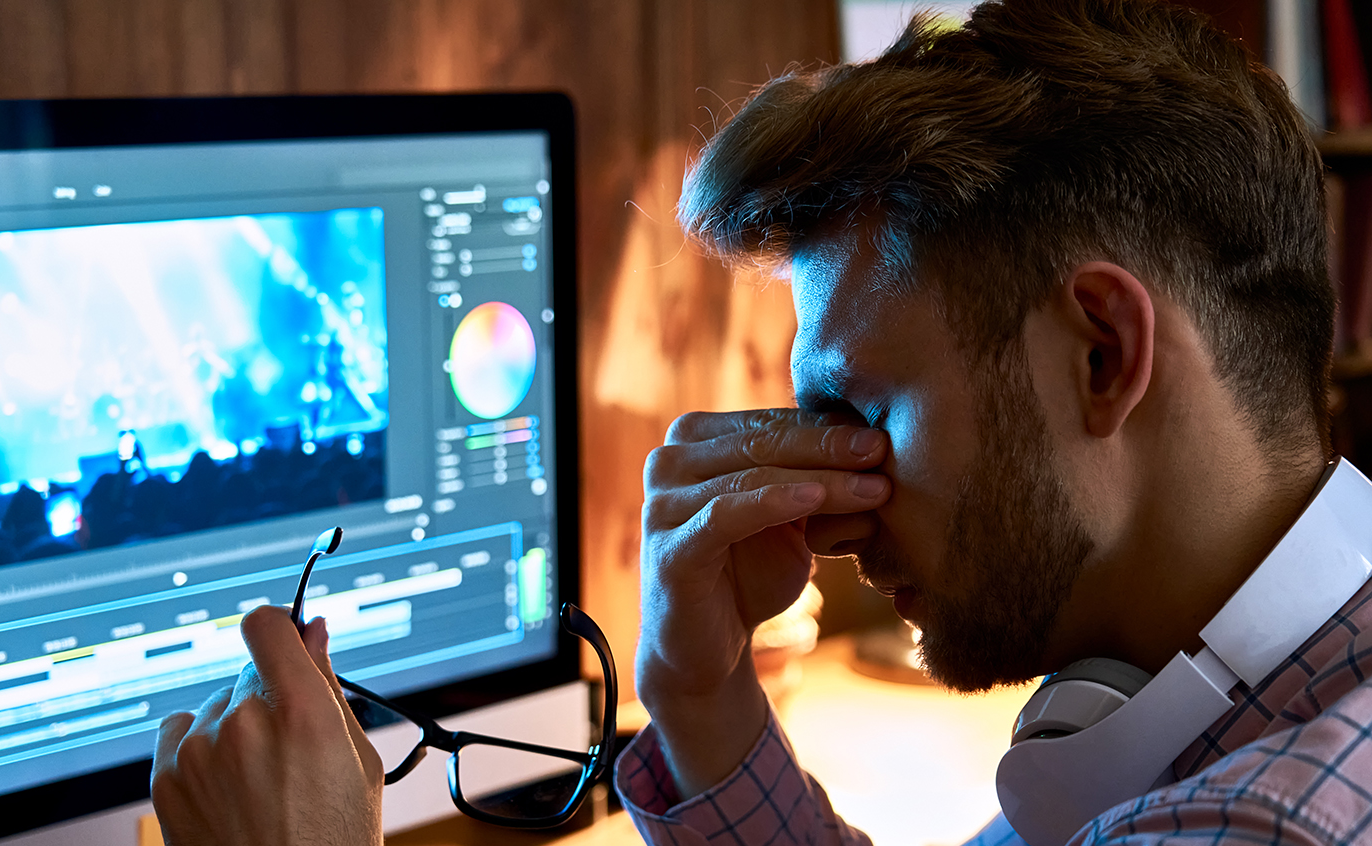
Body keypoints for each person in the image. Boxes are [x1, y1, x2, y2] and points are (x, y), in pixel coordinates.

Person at [148, 1, 1370, 844]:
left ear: (1101, 355)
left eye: (857, 409)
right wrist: (703, 699)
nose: (830, 519)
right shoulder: (1233, 692)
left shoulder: (1260, 823)